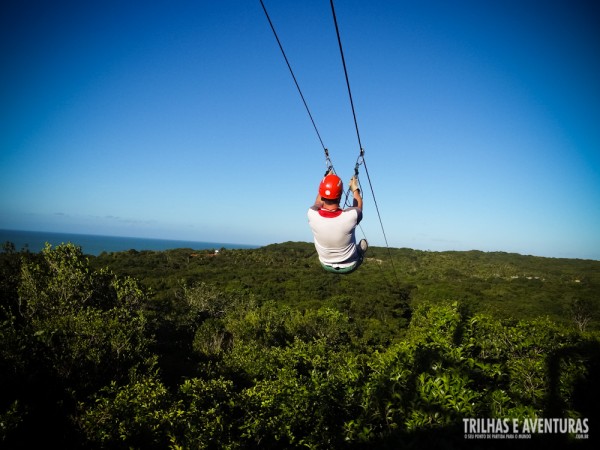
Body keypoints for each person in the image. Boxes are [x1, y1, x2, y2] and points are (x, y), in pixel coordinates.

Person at [307, 172, 368, 273]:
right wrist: (355, 189)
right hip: (350, 265)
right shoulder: (351, 216)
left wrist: (326, 179)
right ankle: (360, 252)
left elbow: (318, 203)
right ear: (340, 197)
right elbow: (358, 207)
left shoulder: (312, 214)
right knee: (363, 244)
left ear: (321, 195)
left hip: (325, 264)